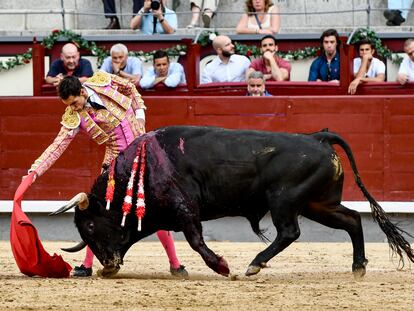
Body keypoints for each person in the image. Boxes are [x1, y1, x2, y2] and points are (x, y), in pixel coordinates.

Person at [24, 72, 188, 278]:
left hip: (144, 154)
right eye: (69, 105)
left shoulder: (103, 81)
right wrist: (35, 170)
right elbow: (57, 146)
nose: (73, 108)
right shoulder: (75, 117)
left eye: (75, 102)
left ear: (82, 92)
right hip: (115, 163)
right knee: (98, 213)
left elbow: (130, 88)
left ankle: (175, 263)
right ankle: (87, 264)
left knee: (152, 209)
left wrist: (140, 115)